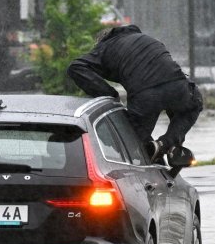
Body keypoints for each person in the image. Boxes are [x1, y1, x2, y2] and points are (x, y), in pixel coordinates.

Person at [67, 24, 203, 162]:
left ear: (103, 40)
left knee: (132, 141)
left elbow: (75, 67)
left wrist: (109, 95)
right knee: (193, 105)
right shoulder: (147, 39)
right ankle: (164, 145)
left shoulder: (105, 47)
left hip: (145, 96)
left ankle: (149, 157)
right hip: (177, 85)